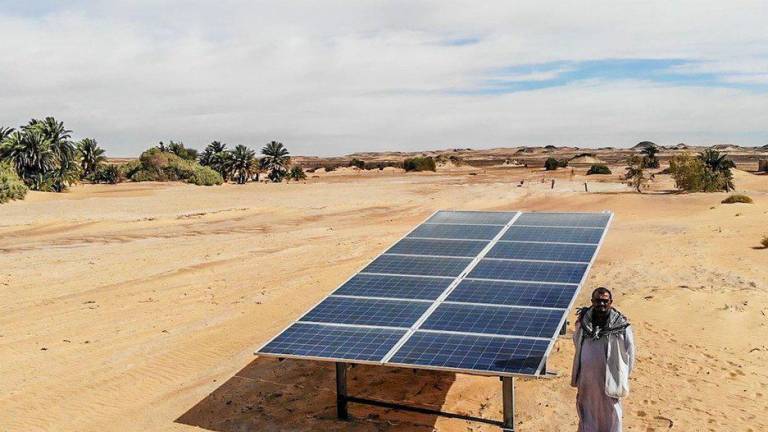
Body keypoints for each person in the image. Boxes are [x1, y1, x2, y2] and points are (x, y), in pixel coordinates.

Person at [571, 287, 635, 432]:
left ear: (610, 302)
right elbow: (576, 342)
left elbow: (630, 352)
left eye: (605, 301)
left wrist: (622, 375)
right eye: (598, 301)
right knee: (587, 410)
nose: (601, 304)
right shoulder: (583, 324)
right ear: (592, 302)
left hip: (610, 379)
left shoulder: (621, 326)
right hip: (587, 380)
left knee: (612, 412)